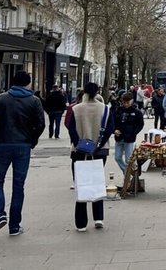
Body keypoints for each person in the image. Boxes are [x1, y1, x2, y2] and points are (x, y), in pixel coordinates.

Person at [0, 70, 45, 237]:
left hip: (2, 144)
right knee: (18, 185)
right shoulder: (34, 101)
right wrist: (32, 141)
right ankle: (14, 225)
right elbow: (40, 124)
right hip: (23, 145)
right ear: (28, 83)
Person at [68, 82, 115, 231]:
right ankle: (98, 218)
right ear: (97, 92)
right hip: (100, 151)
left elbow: (71, 129)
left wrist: (80, 144)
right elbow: (110, 129)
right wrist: (98, 146)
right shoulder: (105, 109)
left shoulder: (76, 109)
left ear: (84, 92)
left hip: (80, 151)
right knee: (97, 181)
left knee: (81, 184)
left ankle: (81, 223)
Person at [113, 93, 144, 174]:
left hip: (129, 138)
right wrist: (114, 130)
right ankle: (126, 171)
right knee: (117, 157)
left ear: (132, 101)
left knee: (128, 159)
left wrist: (134, 133)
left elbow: (140, 124)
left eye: (127, 102)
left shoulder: (136, 112)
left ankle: (129, 174)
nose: (126, 104)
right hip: (119, 137)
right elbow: (113, 122)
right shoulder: (118, 110)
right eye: (124, 102)